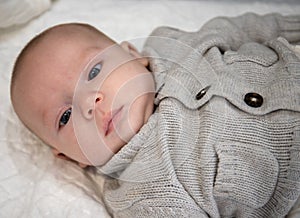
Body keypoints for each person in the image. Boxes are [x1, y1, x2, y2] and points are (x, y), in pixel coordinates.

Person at [10, 12, 300, 217]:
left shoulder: (170, 46)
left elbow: (237, 29)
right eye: (65, 116)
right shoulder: (144, 196)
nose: (89, 102)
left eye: (94, 71)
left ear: (133, 54)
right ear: (69, 157)